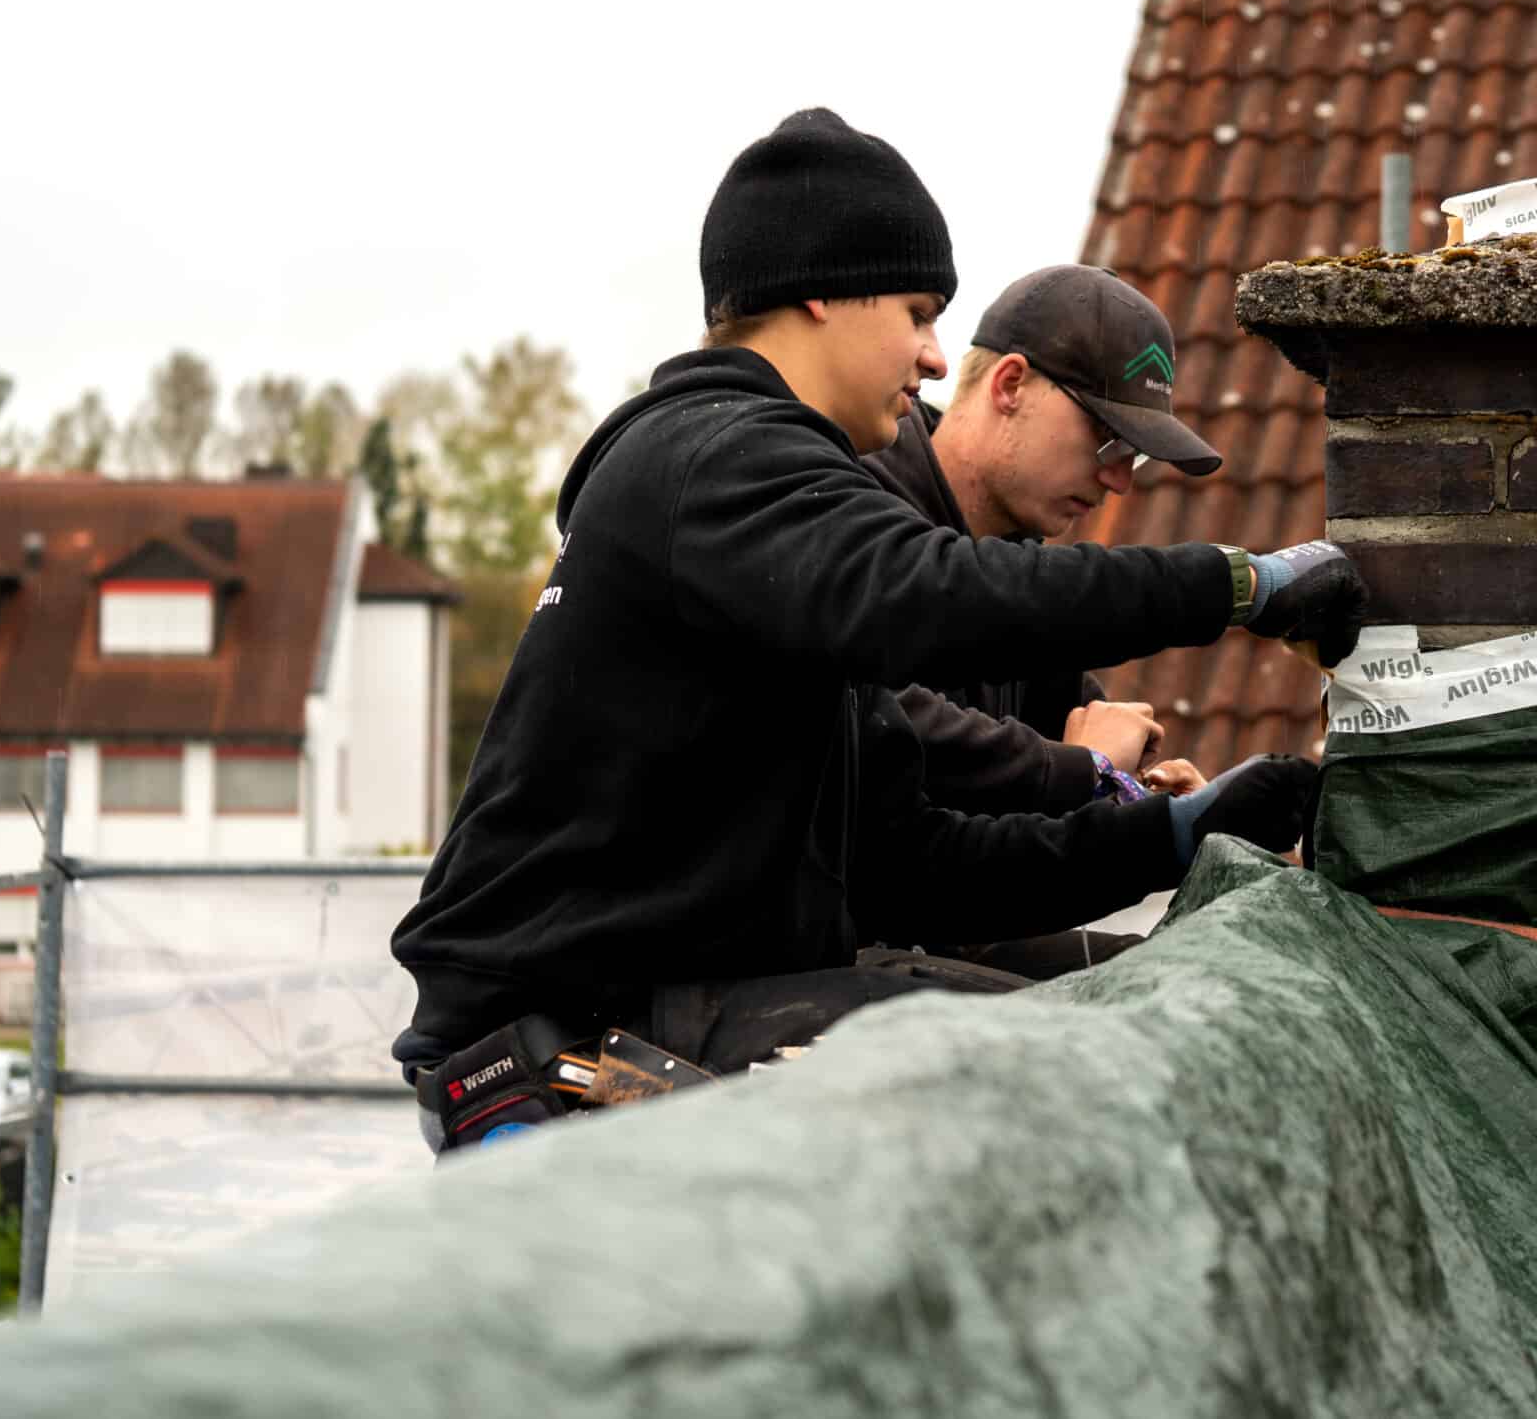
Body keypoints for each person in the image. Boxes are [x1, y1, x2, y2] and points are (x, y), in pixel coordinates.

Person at [389, 108, 1363, 1154]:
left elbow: (908, 870)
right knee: (1086, 1077)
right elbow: (931, 595)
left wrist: (1171, 836)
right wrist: (1242, 586)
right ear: (820, 291)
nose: (935, 359)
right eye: (916, 311)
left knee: (1138, 1015)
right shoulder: (713, 458)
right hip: (565, 1048)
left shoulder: (772, 523)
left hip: (679, 1001)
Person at [864, 263, 1226, 819]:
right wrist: (1083, 767)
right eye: (1108, 441)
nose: (1120, 480)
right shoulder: (855, 528)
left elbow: (1081, 753)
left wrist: (1150, 805)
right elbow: (886, 736)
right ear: (1010, 385)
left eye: (1136, 456)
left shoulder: (1027, 596)